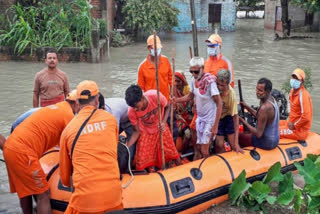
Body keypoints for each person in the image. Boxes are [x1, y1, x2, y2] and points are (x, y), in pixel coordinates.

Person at [3, 90, 79, 214]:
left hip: (10, 147)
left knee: (25, 192)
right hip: (24, 152)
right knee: (43, 194)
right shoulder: (68, 115)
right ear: (76, 103)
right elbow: (70, 147)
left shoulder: (57, 108)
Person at [60, 80, 123, 213]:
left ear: (77, 102)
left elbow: (65, 178)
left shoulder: (68, 130)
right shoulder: (111, 120)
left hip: (85, 202)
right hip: (114, 197)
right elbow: (114, 149)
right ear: (97, 100)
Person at [173, 57, 222, 160]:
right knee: (198, 147)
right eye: (191, 71)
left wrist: (215, 125)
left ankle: (207, 168)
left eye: (196, 71)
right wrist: (176, 100)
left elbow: (219, 103)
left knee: (204, 150)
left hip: (210, 120)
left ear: (202, 68)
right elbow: (190, 96)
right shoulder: (193, 80)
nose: (194, 74)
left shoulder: (210, 82)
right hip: (200, 118)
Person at [125, 85, 180, 172]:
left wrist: (163, 122)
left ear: (142, 98)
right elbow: (136, 132)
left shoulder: (155, 96)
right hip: (145, 131)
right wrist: (127, 147)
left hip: (160, 126)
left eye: (136, 106)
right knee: (142, 160)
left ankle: (180, 167)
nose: (135, 109)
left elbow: (168, 107)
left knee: (172, 151)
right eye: (133, 107)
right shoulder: (131, 111)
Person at [238, 78, 280, 150]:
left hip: (266, 142)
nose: (257, 92)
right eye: (257, 89)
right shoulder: (271, 99)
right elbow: (259, 115)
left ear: (268, 91)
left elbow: (258, 134)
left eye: (260, 91)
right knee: (247, 132)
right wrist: (246, 106)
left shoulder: (265, 108)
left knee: (237, 136)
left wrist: (241, 120)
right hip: (275, 139)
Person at [279, 68, 313, 141]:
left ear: (302, 82)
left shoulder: (303, 95)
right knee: (273, 124)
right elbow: (290, 107)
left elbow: (306, 117)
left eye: (297, 79)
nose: (294, 80)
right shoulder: (291, 91)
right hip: (290, 122)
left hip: (299, 131)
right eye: (293, 77)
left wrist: (294, 125)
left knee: (273, 132)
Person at [216, 69, 244, 154]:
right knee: (219, 144)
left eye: (223, 85)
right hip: (217, 117)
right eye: (218, 84)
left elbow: (235, 119)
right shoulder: (214, 88)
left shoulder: (232, 95)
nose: (220, 87)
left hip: (227, 117)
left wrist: (236, 143)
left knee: (233, 144)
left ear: (227, 84)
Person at [137, 35, 172, 100]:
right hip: (151, 102)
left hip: (166, 100)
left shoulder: (166, 60)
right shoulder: (142, 66)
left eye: (158, 48)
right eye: (154, 48)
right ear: (149, 48)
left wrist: (172, 95)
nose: (156, 50)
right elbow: (140, 88)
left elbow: (171, 81)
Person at [174, 71, 193, 152]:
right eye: (174, 81)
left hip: (188, 115)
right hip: (178, 118)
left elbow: (190, 107)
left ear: (182, 81)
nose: (176, 83)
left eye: (178, 81)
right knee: (188, 133)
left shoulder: (188, 90)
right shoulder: (172, 91)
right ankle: (183, 153)